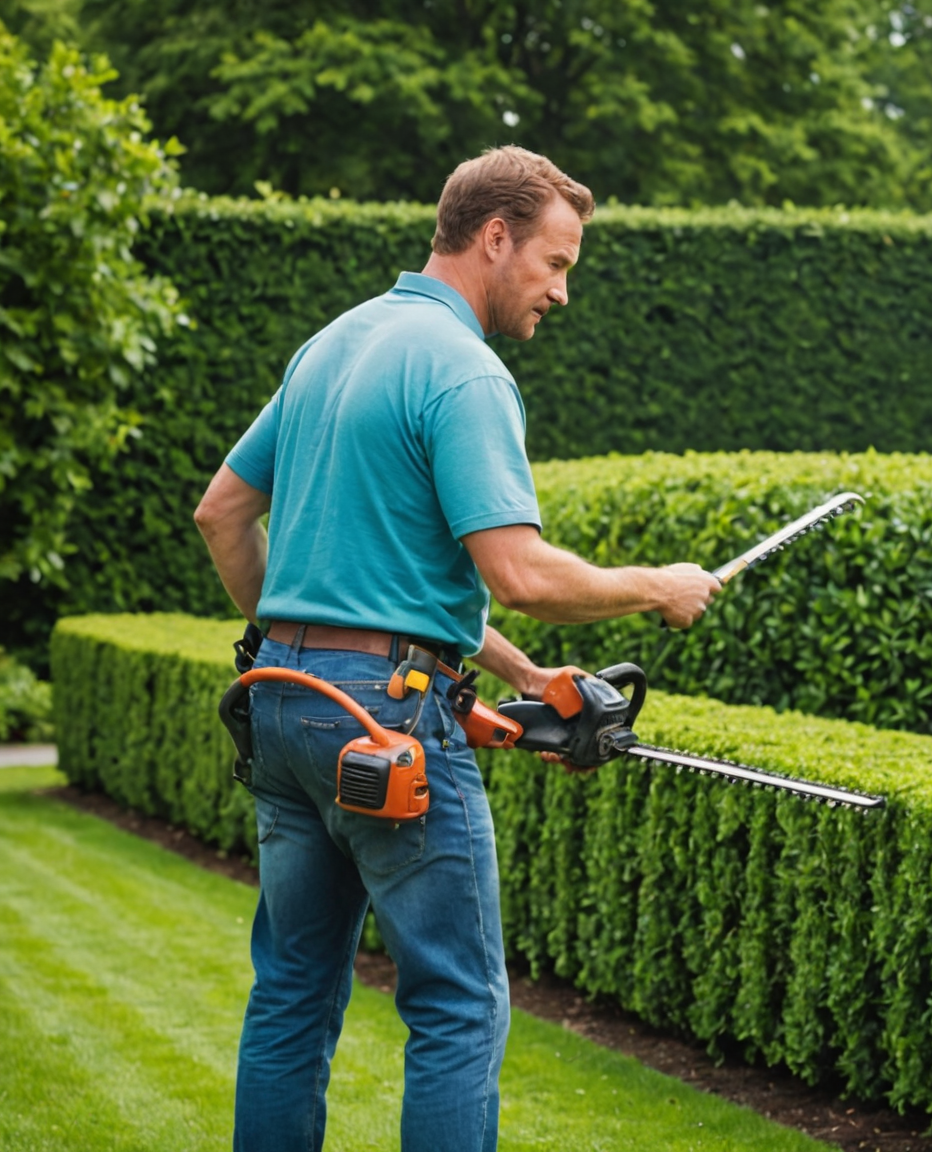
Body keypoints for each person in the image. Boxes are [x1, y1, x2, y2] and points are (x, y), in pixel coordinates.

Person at [192, 146, 720, 1152]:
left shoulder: (334, 344)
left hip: (283, 703)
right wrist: (659, 585)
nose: (561, 292)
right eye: (556, 264)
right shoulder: (465, 370)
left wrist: (514, 673)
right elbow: (520, 570)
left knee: (293, 994)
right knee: (457, 1005)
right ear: (494, 237)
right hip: (386, 719)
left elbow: (224, 514)